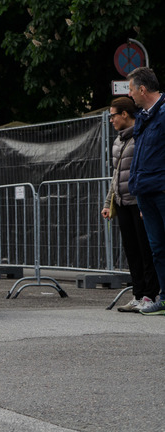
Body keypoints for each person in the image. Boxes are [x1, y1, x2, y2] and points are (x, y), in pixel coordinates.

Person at [101, 97, 159, 312]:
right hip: (122, 201)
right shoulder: (118, 141)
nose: (111, 120)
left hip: (139, 201)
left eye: (113, 115)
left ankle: (150, 295)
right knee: (131, 251)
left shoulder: (140, 137)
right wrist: (109, 202)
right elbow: (116, 174)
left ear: (125, 114)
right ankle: (137, 295)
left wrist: (146, 203)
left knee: (146, 251)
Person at [127, 67, 165, 315]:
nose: (129, 94)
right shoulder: (143, 117)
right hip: (146, 192)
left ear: (142, 89)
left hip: (161, 190)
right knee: (158, 248)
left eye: (130, 89)